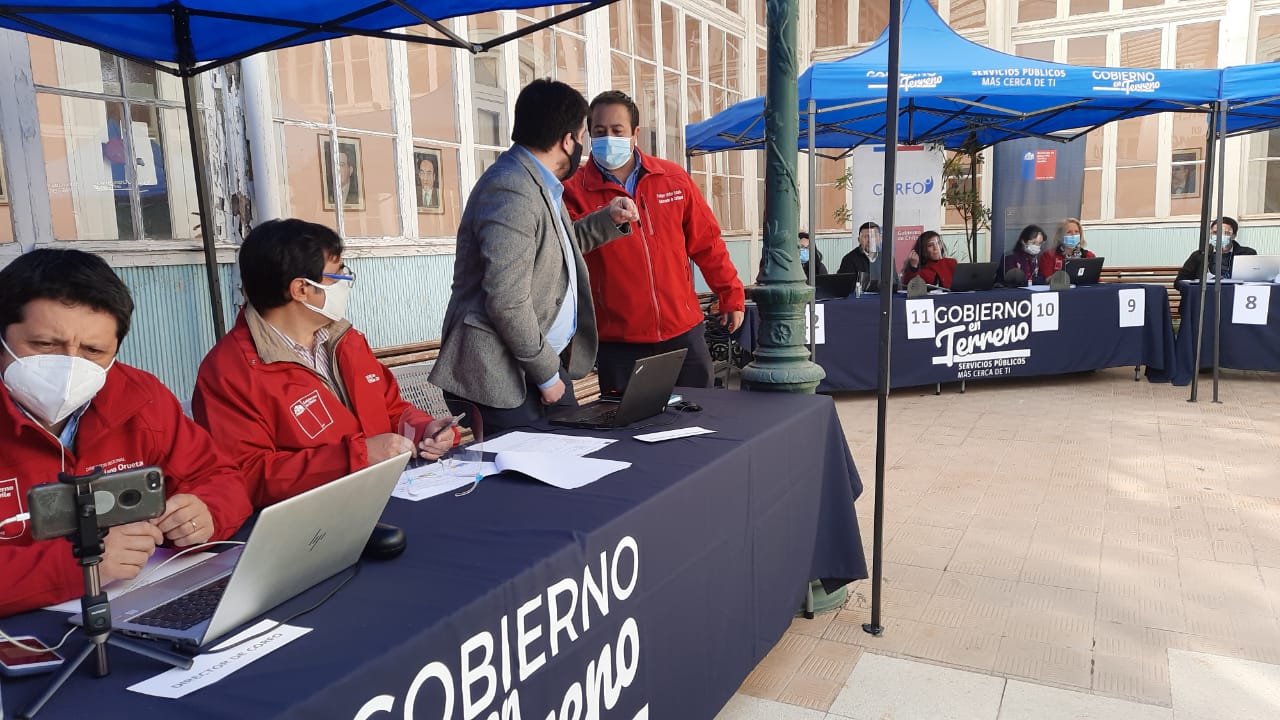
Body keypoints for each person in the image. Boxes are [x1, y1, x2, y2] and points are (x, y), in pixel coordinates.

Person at [0, 249, 251, 616]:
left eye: (93, 350)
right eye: (44, 345)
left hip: (136, 606)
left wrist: (206, 513)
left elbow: (220, 475)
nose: (70, 366)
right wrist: (84, 566)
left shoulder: (139, 397)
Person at [192, 219, 456, 508]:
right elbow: (248, 475)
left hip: (391, 494)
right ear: (301, 289)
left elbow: (390, 409)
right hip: (316, 522)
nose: (347, 282)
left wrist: (424, 430)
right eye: (337, 276)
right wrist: (354, 457)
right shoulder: (230, 372)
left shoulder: (345, 339)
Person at [430, 79, 639, 433]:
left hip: (533, 359)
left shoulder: (538, 182)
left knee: (575, 451)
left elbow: (557, 249)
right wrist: (546, 375)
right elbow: (507, 300)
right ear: (567, 140)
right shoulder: (512, 187)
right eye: (583, 137)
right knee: (532, 479)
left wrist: (608, 219)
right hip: (500, 373)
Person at [562, 90, 745, 394]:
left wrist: (730, 294)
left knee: (701, 420)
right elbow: (566, 252)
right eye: (600, 131)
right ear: (589, 135)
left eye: (617, 130)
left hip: (683, 332)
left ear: (635, 133)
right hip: (620, 342)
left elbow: (707, 243)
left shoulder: (672, 178)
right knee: (629, 432)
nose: (608, 138)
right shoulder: (573, 190)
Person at [1176, 216, 1257, 284]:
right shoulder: (1200, 254)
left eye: (1226, 233)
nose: (1219, 236)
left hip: (1235, 294)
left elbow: (1255, 279)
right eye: (1215, 233)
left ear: (1234, 236)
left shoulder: (1247, 254)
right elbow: (1179, 282)